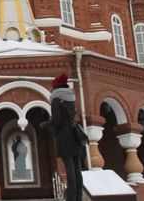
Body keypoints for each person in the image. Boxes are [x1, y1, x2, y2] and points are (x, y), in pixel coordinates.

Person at [41, 73, 85, 201]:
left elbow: (57, 121)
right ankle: (78, 196)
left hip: (64, 136)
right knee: (77, 167)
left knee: (69, 167)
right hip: (74, 135)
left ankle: (71, 197)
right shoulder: (71, 98)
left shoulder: (56, 99)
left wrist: (44, 125)